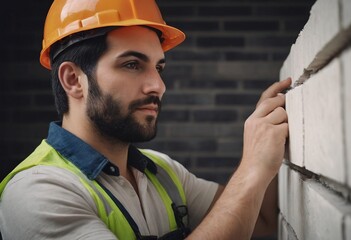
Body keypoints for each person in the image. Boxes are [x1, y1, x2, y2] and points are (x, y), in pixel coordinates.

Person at [0, 0, 292, 239]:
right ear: (73, 79)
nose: (158, 85)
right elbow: (246, 193)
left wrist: (272, 137)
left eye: (159, 68)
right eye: (132, 64)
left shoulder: (163, 172)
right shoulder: (37, 191)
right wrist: (251, 168)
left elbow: (261, 222)